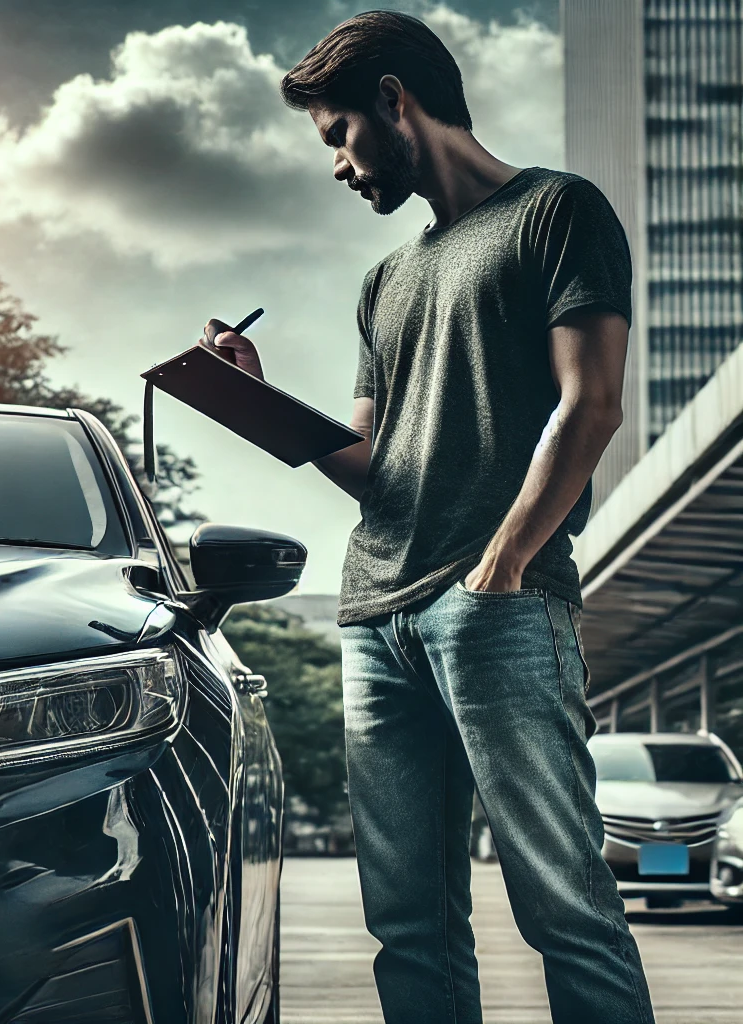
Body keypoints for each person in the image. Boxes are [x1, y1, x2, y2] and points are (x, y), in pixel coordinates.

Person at [200, 11, 655, 1024]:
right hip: (374, 622)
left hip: (497, 604)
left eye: (336, 136)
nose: (336, 166)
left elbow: (592, 403)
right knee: (407, 924)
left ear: (394, 102)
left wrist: (500, 564)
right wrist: (257, 398)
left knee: (564, 908)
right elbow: (378, 469)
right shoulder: (385, 281)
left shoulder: (557, 213)